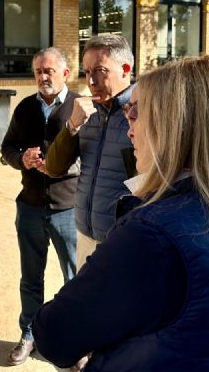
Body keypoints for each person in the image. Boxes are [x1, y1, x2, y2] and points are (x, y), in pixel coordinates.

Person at [33, 56, 209, 371]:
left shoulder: (155, 233)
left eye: (136, 111)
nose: (129, 128)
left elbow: (54, 334)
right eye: (126, 111)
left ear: (177, 125)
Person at [0, 47, 80, 366]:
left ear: (65, 72)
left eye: (49, 70)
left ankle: (76, 339)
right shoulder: (24, 108)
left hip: (67, 208)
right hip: (30, 207)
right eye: (38, 72)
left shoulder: (80, 107)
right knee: (30, 277)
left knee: (74, 278)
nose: (43, 77)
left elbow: (93, 155)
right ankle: (29, 334)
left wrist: (62, 168)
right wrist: (22, 159)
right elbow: (7, 148)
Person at [46, 34, 134, 268]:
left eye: (100, 70)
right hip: (85, 234)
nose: (91, 81)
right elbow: (53, 168)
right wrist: (72, 126)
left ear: (125, 69)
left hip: (124, 240)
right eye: (86, 72)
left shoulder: (142, 111)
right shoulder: (85, 111)